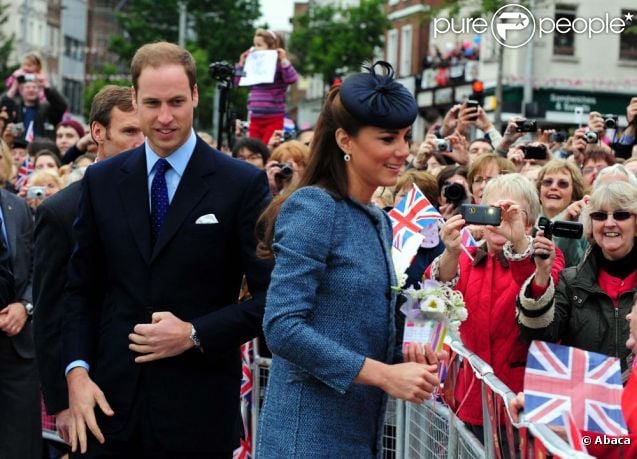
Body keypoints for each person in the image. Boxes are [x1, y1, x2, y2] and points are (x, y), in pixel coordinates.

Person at [61, 42, 272, 458]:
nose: (164, 117)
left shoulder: (240, 184)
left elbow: (272, 298)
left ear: (195, 95)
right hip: (109, 408)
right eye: (152, 103)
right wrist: (77, 374)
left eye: (176, 102)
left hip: (198, 412)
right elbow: (81, 290)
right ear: (134, 100)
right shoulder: (101, 181)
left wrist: (194, 334)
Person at [255, 61, 440, 457]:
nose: (402, 151)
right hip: (304, 437)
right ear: (345, 140)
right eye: (388, 138)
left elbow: (361, 327)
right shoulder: (313, 207)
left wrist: (412, 350)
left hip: (358, 436)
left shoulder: (377, 219)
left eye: (407, 137)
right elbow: (282, 327)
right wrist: (386, 375)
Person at [32, 85, 144, 446]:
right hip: (91, 390)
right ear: (98, 132)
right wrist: (62, 403)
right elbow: (50, 314)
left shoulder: (163, 199)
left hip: (157, 387)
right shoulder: (61, 211)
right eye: (130, 131)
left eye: (145, 131)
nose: (140, 141)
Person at [427, 173, 565, 454]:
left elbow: (537, 295)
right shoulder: (467, 255)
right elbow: (433, 299)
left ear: (528, 221)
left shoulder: (544, 254)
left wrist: (518, 244)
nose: (499, 220)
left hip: (521, 403)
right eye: (492, 211)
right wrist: (451, 251)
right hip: (470, 401)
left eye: (509, 212)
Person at [517, 182, 637, 377]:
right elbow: (535, 337)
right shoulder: (571, 281)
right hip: (588, 400)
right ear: (590, 225)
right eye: (599, 216)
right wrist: (542, 274)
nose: (609, 223)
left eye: (621, 215)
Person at [0, 146, 39, 458]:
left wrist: (24, 306)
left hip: (17, 351)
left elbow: (39, 269)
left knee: (19, 447)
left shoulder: (18, 208)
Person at [235, 28, 299, 143]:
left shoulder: (279, 65)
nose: (254, 49)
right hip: (255, 117)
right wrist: (241, 64)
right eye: (254, 45)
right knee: (254, 147)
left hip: (274, 117)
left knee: (268, 147)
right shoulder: (252, 65)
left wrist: (284, 60)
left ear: (272, 46)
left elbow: (292, 79)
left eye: (259, 45)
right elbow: (236, 82)